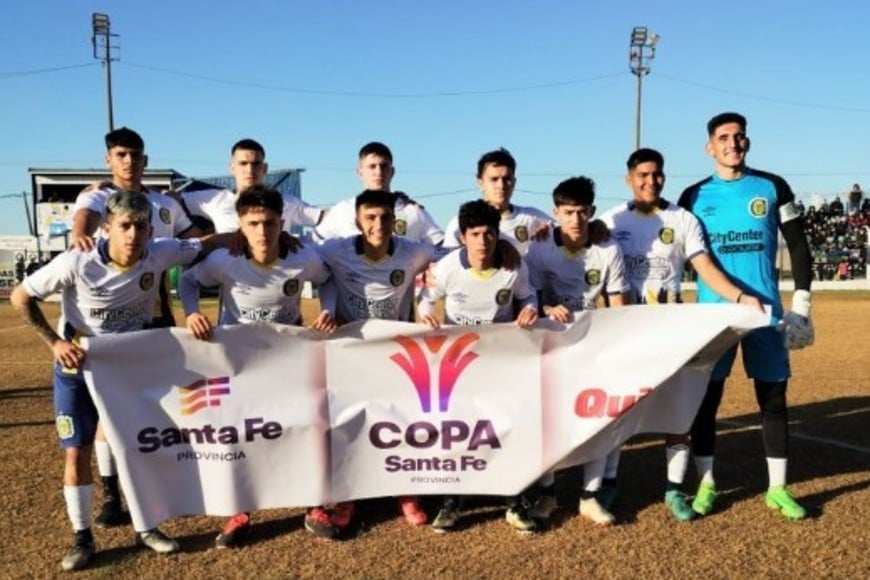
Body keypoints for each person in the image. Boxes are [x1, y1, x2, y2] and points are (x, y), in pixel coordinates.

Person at [9, 190, 226, 571]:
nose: (133, 235)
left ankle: (147, 526)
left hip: (126, 371)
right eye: (124, 226)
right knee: (76, 451)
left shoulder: (159, 252)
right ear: (107, 228)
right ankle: (82, 538)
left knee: (137, 447)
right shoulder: (77, 261)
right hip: (77, 370)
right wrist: (56, 342)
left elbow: (204, 244)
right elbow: (20, 296)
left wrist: (244, 236)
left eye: (140, 226)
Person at [599, 148, 763, 522]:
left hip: (671, 333)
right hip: (625, 333)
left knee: (678, 414)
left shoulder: (682, 219)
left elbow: (704, 267)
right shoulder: (611, 221)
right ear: (629, 178)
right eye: (642, 175)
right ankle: (607, 485)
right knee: (619, 413)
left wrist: (739, 296)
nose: (650, 181)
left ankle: (674, 490)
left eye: (656, 174)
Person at [178, 185, 338, 543]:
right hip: (239, 363)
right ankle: (240, 510)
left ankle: (313, 505)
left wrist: (327, 309)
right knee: (240, 434)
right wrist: (191, 314)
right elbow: (188, 283)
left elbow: (328, 282)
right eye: (253, 224)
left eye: (269, 223)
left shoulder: (302, 257)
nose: (262, 232)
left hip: (289, 359)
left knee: (303, 428)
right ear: (240, 225)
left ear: (282, 223)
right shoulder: (224, 261)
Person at [68, 127, 209, 531]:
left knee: (158, 407)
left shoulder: (165, 204)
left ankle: (156, 486)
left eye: (136, 155)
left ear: (146, 160)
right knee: (110, 413)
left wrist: (242, 242)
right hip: (109, 326)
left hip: (158, 319)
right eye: (121, 154)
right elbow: (85, 219)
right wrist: (79, 234)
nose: (129, 161)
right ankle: (113, 494)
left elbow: (194, 239)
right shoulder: (96, 197)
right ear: (108, 159)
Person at [678, 112, 814, 520]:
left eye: (739, 137)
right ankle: (706, 483)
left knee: (773, 399)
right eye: (723, 137)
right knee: (707, 401)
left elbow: (799, 247)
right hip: (714, 319)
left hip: (767, 315)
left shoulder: (773, 187)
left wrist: (802, 306)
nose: (732, 143)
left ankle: (777, 489)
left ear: (747, 142)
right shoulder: (692, 196)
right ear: (709, 147)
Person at [417, 200, 538, 534]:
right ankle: (451, 502)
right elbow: (426, 296)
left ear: (498, 235)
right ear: (463, 237)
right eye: (475, 234)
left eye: (489, 234)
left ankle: (514, 501)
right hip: (458, 362)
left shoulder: (514, 267)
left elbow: (528, 297)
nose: (483, 242)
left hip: (500, 362)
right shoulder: (447, 268)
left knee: (505, 428)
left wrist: (529, 309)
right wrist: (425, 312)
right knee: (456, 430)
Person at [524, 176, 629, 526]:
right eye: (568, 212)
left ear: (592, 212)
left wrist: (616, 345)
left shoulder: (608, 248)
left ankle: (590, 495)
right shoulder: (539, 247)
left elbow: (618, 305)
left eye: (582, 212)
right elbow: (532, 298)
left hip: (593, 345)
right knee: (549, 418)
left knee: (598, 416)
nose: (575, 220)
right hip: (551, 345)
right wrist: (547, 307)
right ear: (555, 213)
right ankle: (548, 493)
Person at [181, 138, 325, 234]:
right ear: (232, 168)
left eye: (256, 164)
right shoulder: (214, 200)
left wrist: (310, 245)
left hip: (274, 275)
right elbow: (171, 201)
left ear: (265, 168)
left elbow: (324, 217)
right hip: (229, 277)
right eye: (243, 163)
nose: (250, 170)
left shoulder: (287, 202)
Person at [313, 141, 444, 244]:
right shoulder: (343, 211)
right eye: (372, 166)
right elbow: (311, 246)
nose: (379, 172)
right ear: (360, 172)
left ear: (392, 172)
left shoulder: (411, 212)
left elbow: (443, 248)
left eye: (383, 166)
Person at [443, 148, 551, 255]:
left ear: (514, 182)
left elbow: (563, 234)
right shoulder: (459, 224)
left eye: (507, 179)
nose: (501, 185)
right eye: (494, 179)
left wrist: (550, 234)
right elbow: (449, 264)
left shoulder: (533, 218)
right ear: (480, 183)